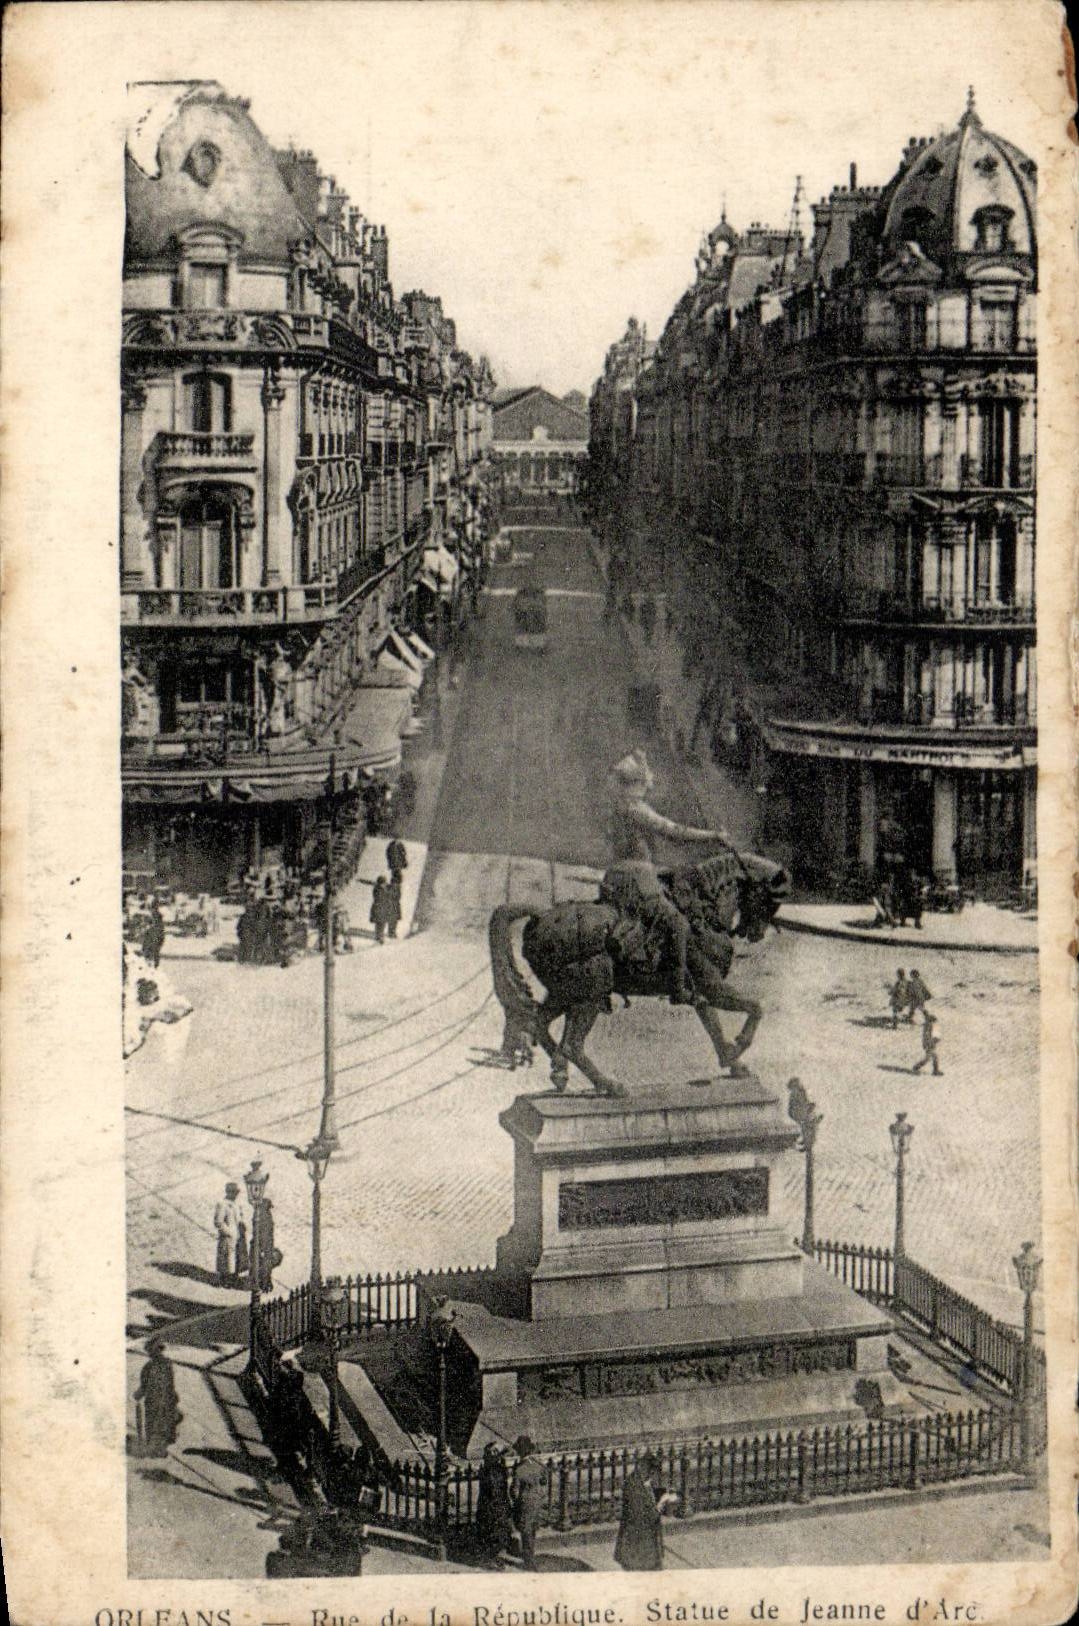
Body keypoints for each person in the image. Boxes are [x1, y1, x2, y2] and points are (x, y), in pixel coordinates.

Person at [604, 748, 730, 1006]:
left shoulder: (621, 806)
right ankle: (678, 987)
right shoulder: (635, 809)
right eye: (643, 781)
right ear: (637, 783)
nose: (647, 785)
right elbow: (673, 831)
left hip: (618, 875)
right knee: (678, 924)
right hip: (635, 878)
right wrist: (712, 836)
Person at [614, 1451, 677, 1571]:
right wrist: (661, 1502)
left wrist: (663, 1493)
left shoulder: (640, 1481)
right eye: (652, 1473)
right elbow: (644, 1516)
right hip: (638, 1549)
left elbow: (649, 1495)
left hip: (645, 1546)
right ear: (647, 1469)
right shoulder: (634, 1487)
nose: (653, 1477)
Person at [134, 1336, 181, 1458]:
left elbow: (170, 1383)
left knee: (161, 1426)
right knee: (157, 1426)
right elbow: (144, 1384)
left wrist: (173, 1398)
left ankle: (159, 1449)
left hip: (162, 1401)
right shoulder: (151, 1367)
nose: (152, 1353)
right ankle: (156, 1449)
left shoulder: (163, 1365)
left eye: (155, 1350)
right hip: (155, 1401)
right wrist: (139, 1394)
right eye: (151, 1351)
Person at [511, 1436, 547, 1571]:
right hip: (536, 1501)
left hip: (524, 1502)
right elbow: (544, 1481)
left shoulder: (519, 1469)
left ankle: (529, 1561)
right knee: (532, 1530)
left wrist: (516, 1501)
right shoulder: (538, 1465)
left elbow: (514, 1491)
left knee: (525, 1532)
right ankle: (530, 1555)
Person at [475, 1443, 514, 1565]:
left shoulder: (490, 1467)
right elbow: (494, 1490)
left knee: (493, 1534)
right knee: (493, 1534)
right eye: (495, 1452)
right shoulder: (493, 1469)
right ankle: (492, 1559)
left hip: (491, 1506)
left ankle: (493, 1558)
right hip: (494, 1507)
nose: (497, 1454)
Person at [213, 1182, 244, 1281]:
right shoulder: (222, 1204)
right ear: (229, 1192)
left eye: (236, 1193)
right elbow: (218, 1222)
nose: (236, 1195)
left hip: (238, 1237)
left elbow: (239, 1218)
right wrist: (229, 1233)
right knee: (227, 1261)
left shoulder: (236, 1204)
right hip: (227, 1238)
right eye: (234, 1192)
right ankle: (225, 1280)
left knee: (235, 1260)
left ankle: (233, 1278)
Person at [254, 1197, 279, 1292]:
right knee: (265, 1266)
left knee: (267, 1266)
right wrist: (262, 1249)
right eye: (268, 1206)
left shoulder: (266, 1214)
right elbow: (262, 1234)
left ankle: (266, 1283)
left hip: (268, 1245)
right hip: (265, 1246)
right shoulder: (263, 1216)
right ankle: (264, 1284)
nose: (269, 1208)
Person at [912, 1010, 942, 1076]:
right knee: (930, 1058)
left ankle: (935, 1070)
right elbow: (929, 1037)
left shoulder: (928, 1026)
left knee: (932, 1057)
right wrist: (934, 1041)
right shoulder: (928, 1027)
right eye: (933, 1022)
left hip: (929, 1044)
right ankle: (917, 1067)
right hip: (929, 1044)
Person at [142, 900, 166, 970]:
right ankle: (153, 966)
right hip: (155, 936)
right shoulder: (156, 916)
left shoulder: (155, 915)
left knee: (152, 951)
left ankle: (152, 966)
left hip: (154, 936)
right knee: (153, 951)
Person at [370, 877, 391, 945]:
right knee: (380, 923)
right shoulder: (379, 890)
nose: (385, 884)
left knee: (381, 923)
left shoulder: (379, 889)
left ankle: (379, 937)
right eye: (384, 883)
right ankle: (379, 937)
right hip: (380, 908)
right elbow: (380, 898)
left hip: (381, 908)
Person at [385, 874, 402, 939]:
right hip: (392, 906)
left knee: (394, 920)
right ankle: (391, 932)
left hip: (395, 906)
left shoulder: (397, 888)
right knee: (391, 920)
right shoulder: (390, 887)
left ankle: (392, 932)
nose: (395, 884)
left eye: (396, 883)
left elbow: (398, 897)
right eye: (394, 882)